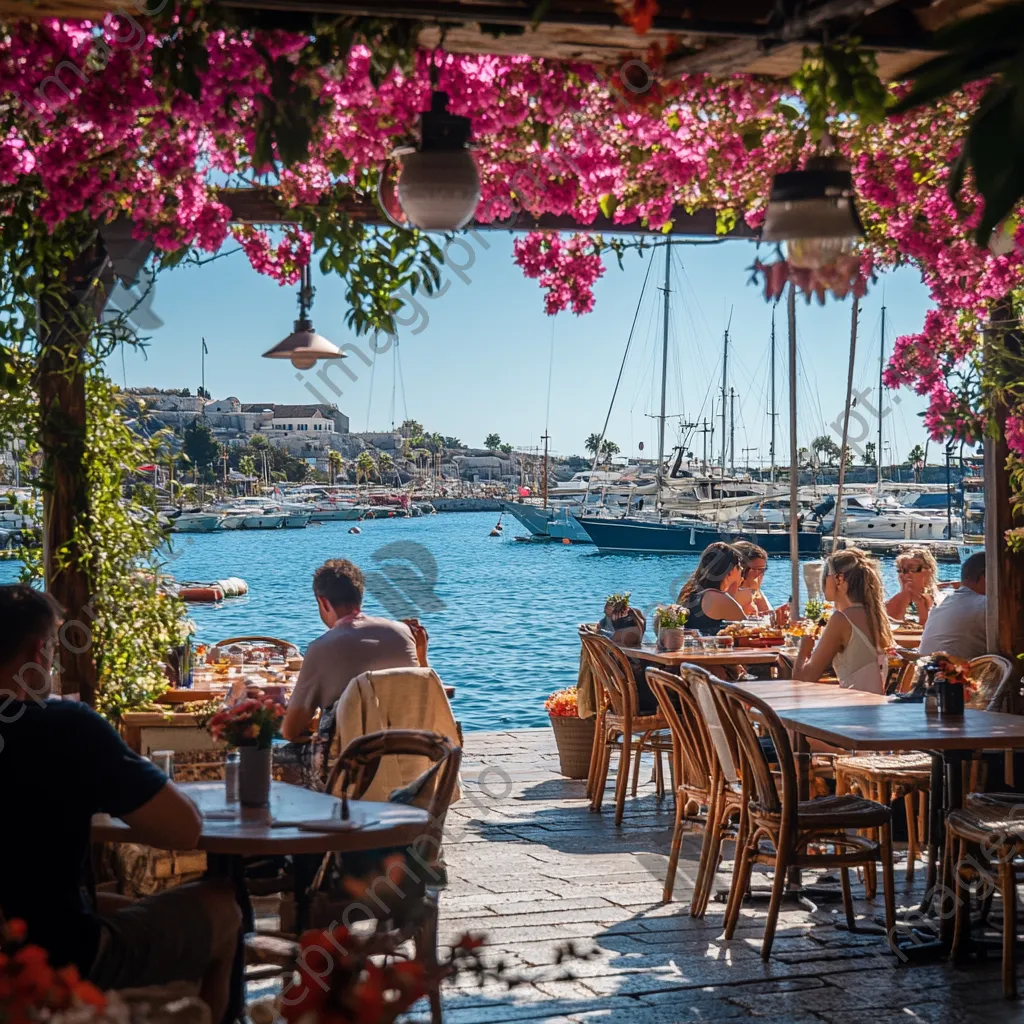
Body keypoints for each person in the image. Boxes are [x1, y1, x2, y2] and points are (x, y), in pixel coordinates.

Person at [0, 585, 241, 1022]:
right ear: (38, 652)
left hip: (20, 934)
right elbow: (183, 830)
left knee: (113, 905)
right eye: (53, 649)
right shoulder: (65, 728)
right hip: (57, 959)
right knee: (223, 906)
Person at [281, 559, 419, 742]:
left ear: (323, 602)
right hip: (409, 749)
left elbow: (291, 730)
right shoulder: (402, 633)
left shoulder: (321, 648)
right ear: (360, 596)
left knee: (280, 754)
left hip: (350, 762)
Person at [793, 548, 894, 693]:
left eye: (825, 576)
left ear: (839, 579)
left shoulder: (842, 620)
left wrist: (803, 649)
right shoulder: (875, 616)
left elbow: (803, 680)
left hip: (852, 711)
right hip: (874, 706)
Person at [918, 551, 987, 660]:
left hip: (925, 672)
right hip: (958, 674)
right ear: (985, 576)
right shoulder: (985, 605)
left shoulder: (942, 604)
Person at [676, 542, 746, 634]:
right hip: (712, 647)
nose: (741, 570)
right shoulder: (718, 598)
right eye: (740, 566)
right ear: (731, 570)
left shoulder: (687, 591)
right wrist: (736, 585)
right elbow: (747, 630)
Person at [886, 547, 940, 626]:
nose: (904, 574)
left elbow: (929, 627)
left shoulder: (940, 600)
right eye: (900, 570)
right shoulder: (894, 602)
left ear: (928, 571)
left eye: (912, 569)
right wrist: (904, 597)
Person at [732, 541, 772, 617]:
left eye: (763, 569)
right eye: (755, 569)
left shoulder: (755, 589)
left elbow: (766, 613)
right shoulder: (725, 591)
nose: (759, 574)